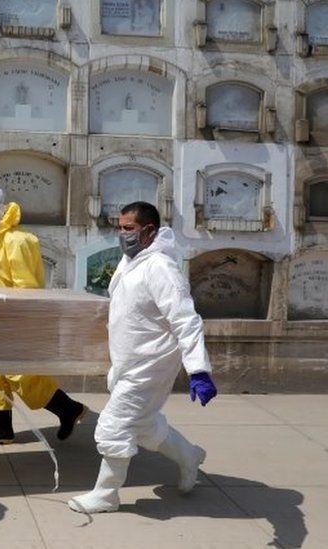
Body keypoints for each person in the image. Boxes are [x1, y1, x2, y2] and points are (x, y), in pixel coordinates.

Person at [69, 201, 218, 515]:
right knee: (144, 425)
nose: (122, 235)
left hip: (150, 364)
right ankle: (189, 456)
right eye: (119, 228)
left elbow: (185, 320)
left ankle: (106, 495)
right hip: (128, 361)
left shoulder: (161, 268)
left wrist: (199, 371)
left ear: (149, 231)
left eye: (129, 229)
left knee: (112, 426)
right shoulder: (131, 261)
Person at [0, 185, 88, 446]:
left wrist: (18, 320)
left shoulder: (19, 241)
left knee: (20, 374)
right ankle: (1, 429)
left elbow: (27, 287)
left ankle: (69, 409)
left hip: (15, 319)